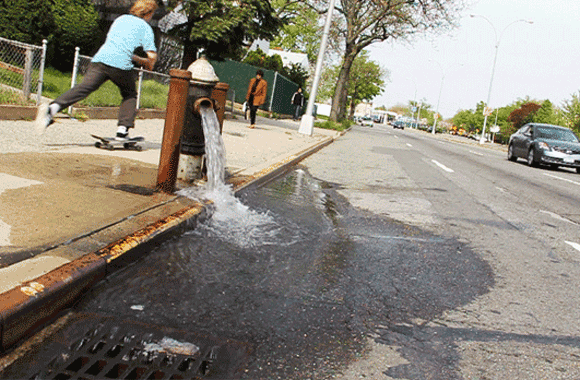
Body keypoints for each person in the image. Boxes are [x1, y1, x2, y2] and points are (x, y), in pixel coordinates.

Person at [35, 0, 158, 140]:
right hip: (121, 65)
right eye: (152, 14)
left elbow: (119, 45)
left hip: (101, 59)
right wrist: (148, 63)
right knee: (130, 94)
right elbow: (151, 56)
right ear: (148, 13)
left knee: (84, 87)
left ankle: (52, 109)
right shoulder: (145, 27)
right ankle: (122, 131)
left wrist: (137, 58)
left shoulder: (120, 19)